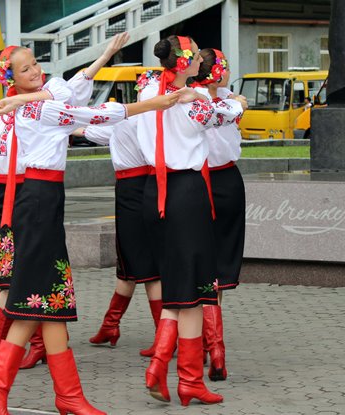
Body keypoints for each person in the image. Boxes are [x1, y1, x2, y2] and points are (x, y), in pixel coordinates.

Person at [0, 43, 182, 415]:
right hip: (38, 201)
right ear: (11, 79)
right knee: (39, 298)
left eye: (35, 63)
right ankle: (5, 385)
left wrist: (98, 61)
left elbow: (66, 88)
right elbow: (96, 114)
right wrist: (153, 104)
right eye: (25, 69)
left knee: (51, 300)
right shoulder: (40, 109)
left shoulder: (30, 102)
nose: (36, 71)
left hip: (42, 199)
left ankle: (52, 392)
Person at [136, 36, 245, 406]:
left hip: (153, 189)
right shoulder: (195, 100)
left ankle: (169, 371)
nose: (202, 58)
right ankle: (187, 379)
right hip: (185, 191)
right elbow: (222, 116)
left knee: (178, 285)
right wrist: (236, 103)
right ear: (184, 62)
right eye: (197, 54)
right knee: (197, 287)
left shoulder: (148, 88)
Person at [74, 110, 163, 356]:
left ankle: (163, 334)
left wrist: (62, 121)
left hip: (133, 189)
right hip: (136, 187)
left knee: (145, 266)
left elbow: (89, 129)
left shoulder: (128, 120)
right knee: (128, 261)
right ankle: (110, 325)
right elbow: (93, 131)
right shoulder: (141, 120)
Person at [191, 49, 246, 381]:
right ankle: (214, 348)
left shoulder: (208, 96)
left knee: (208, 264)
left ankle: (205, 346)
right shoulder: (210, 100)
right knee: (212, 263)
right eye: (223, 66)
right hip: (214, 180)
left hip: (204, 180)